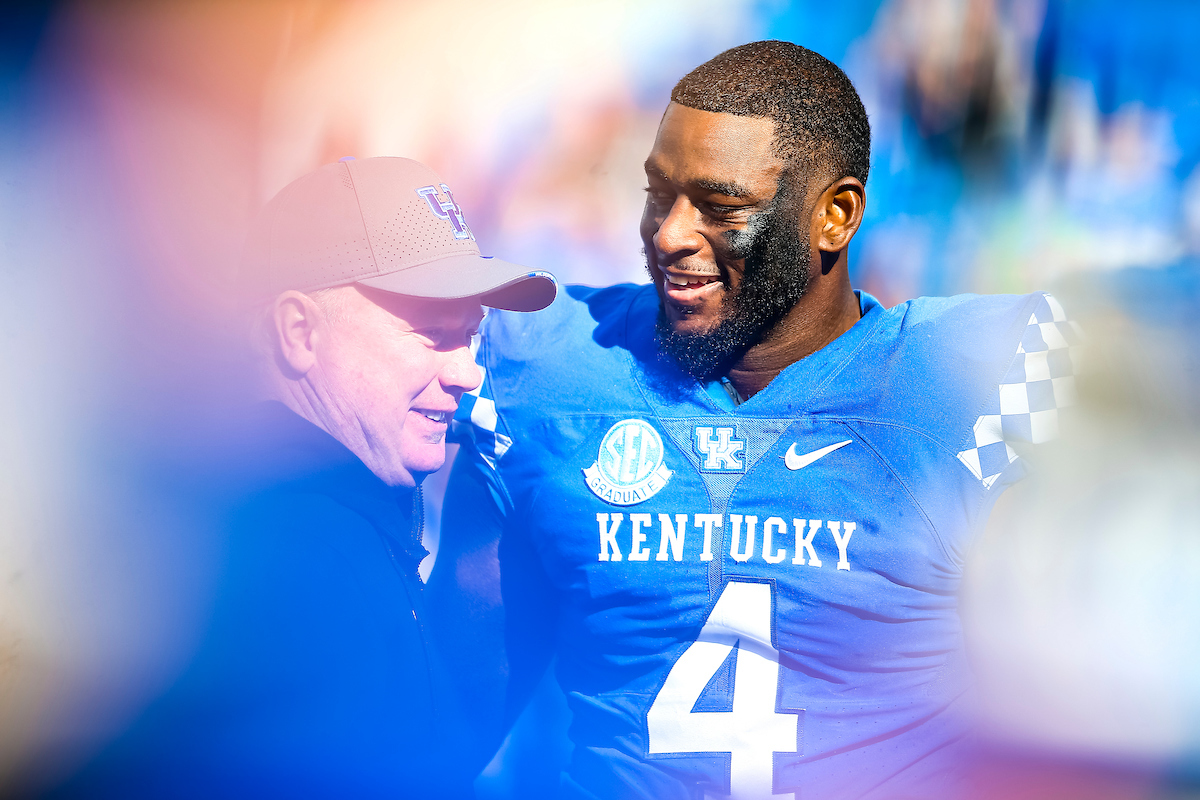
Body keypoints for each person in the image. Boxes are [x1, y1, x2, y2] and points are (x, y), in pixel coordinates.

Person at [430, 42, 1082, 799]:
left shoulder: (975, 379)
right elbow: (438, 723)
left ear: (835, 216)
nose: (669, 234)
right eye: (659, 193)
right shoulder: (548, 369)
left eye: (720, 207)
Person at [43, 156, 555, 799]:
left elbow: (428, 749)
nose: (467, 372)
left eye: (470, 335)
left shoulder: (326, 513)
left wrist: (508, 528)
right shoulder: (270, 555)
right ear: (298, 332)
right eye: (431, 333)